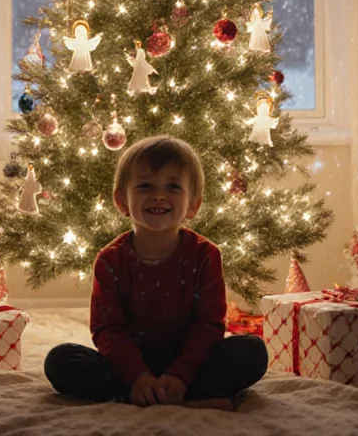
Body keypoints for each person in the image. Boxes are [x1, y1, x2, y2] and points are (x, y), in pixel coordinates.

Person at [44, 135, 267, 410]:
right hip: (128, 364)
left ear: (193, 204)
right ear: (121, 201)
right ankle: (146, 393)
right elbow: (107, 329)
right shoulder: (110, 260)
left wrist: (180, 375)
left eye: (173, 186)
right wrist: (137, 376)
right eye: (145, 185)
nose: (159, 195)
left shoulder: (206, 255)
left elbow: (209, 325)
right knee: (60, 360)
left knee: (252, 351)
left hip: (191, 361)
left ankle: (181, 392)